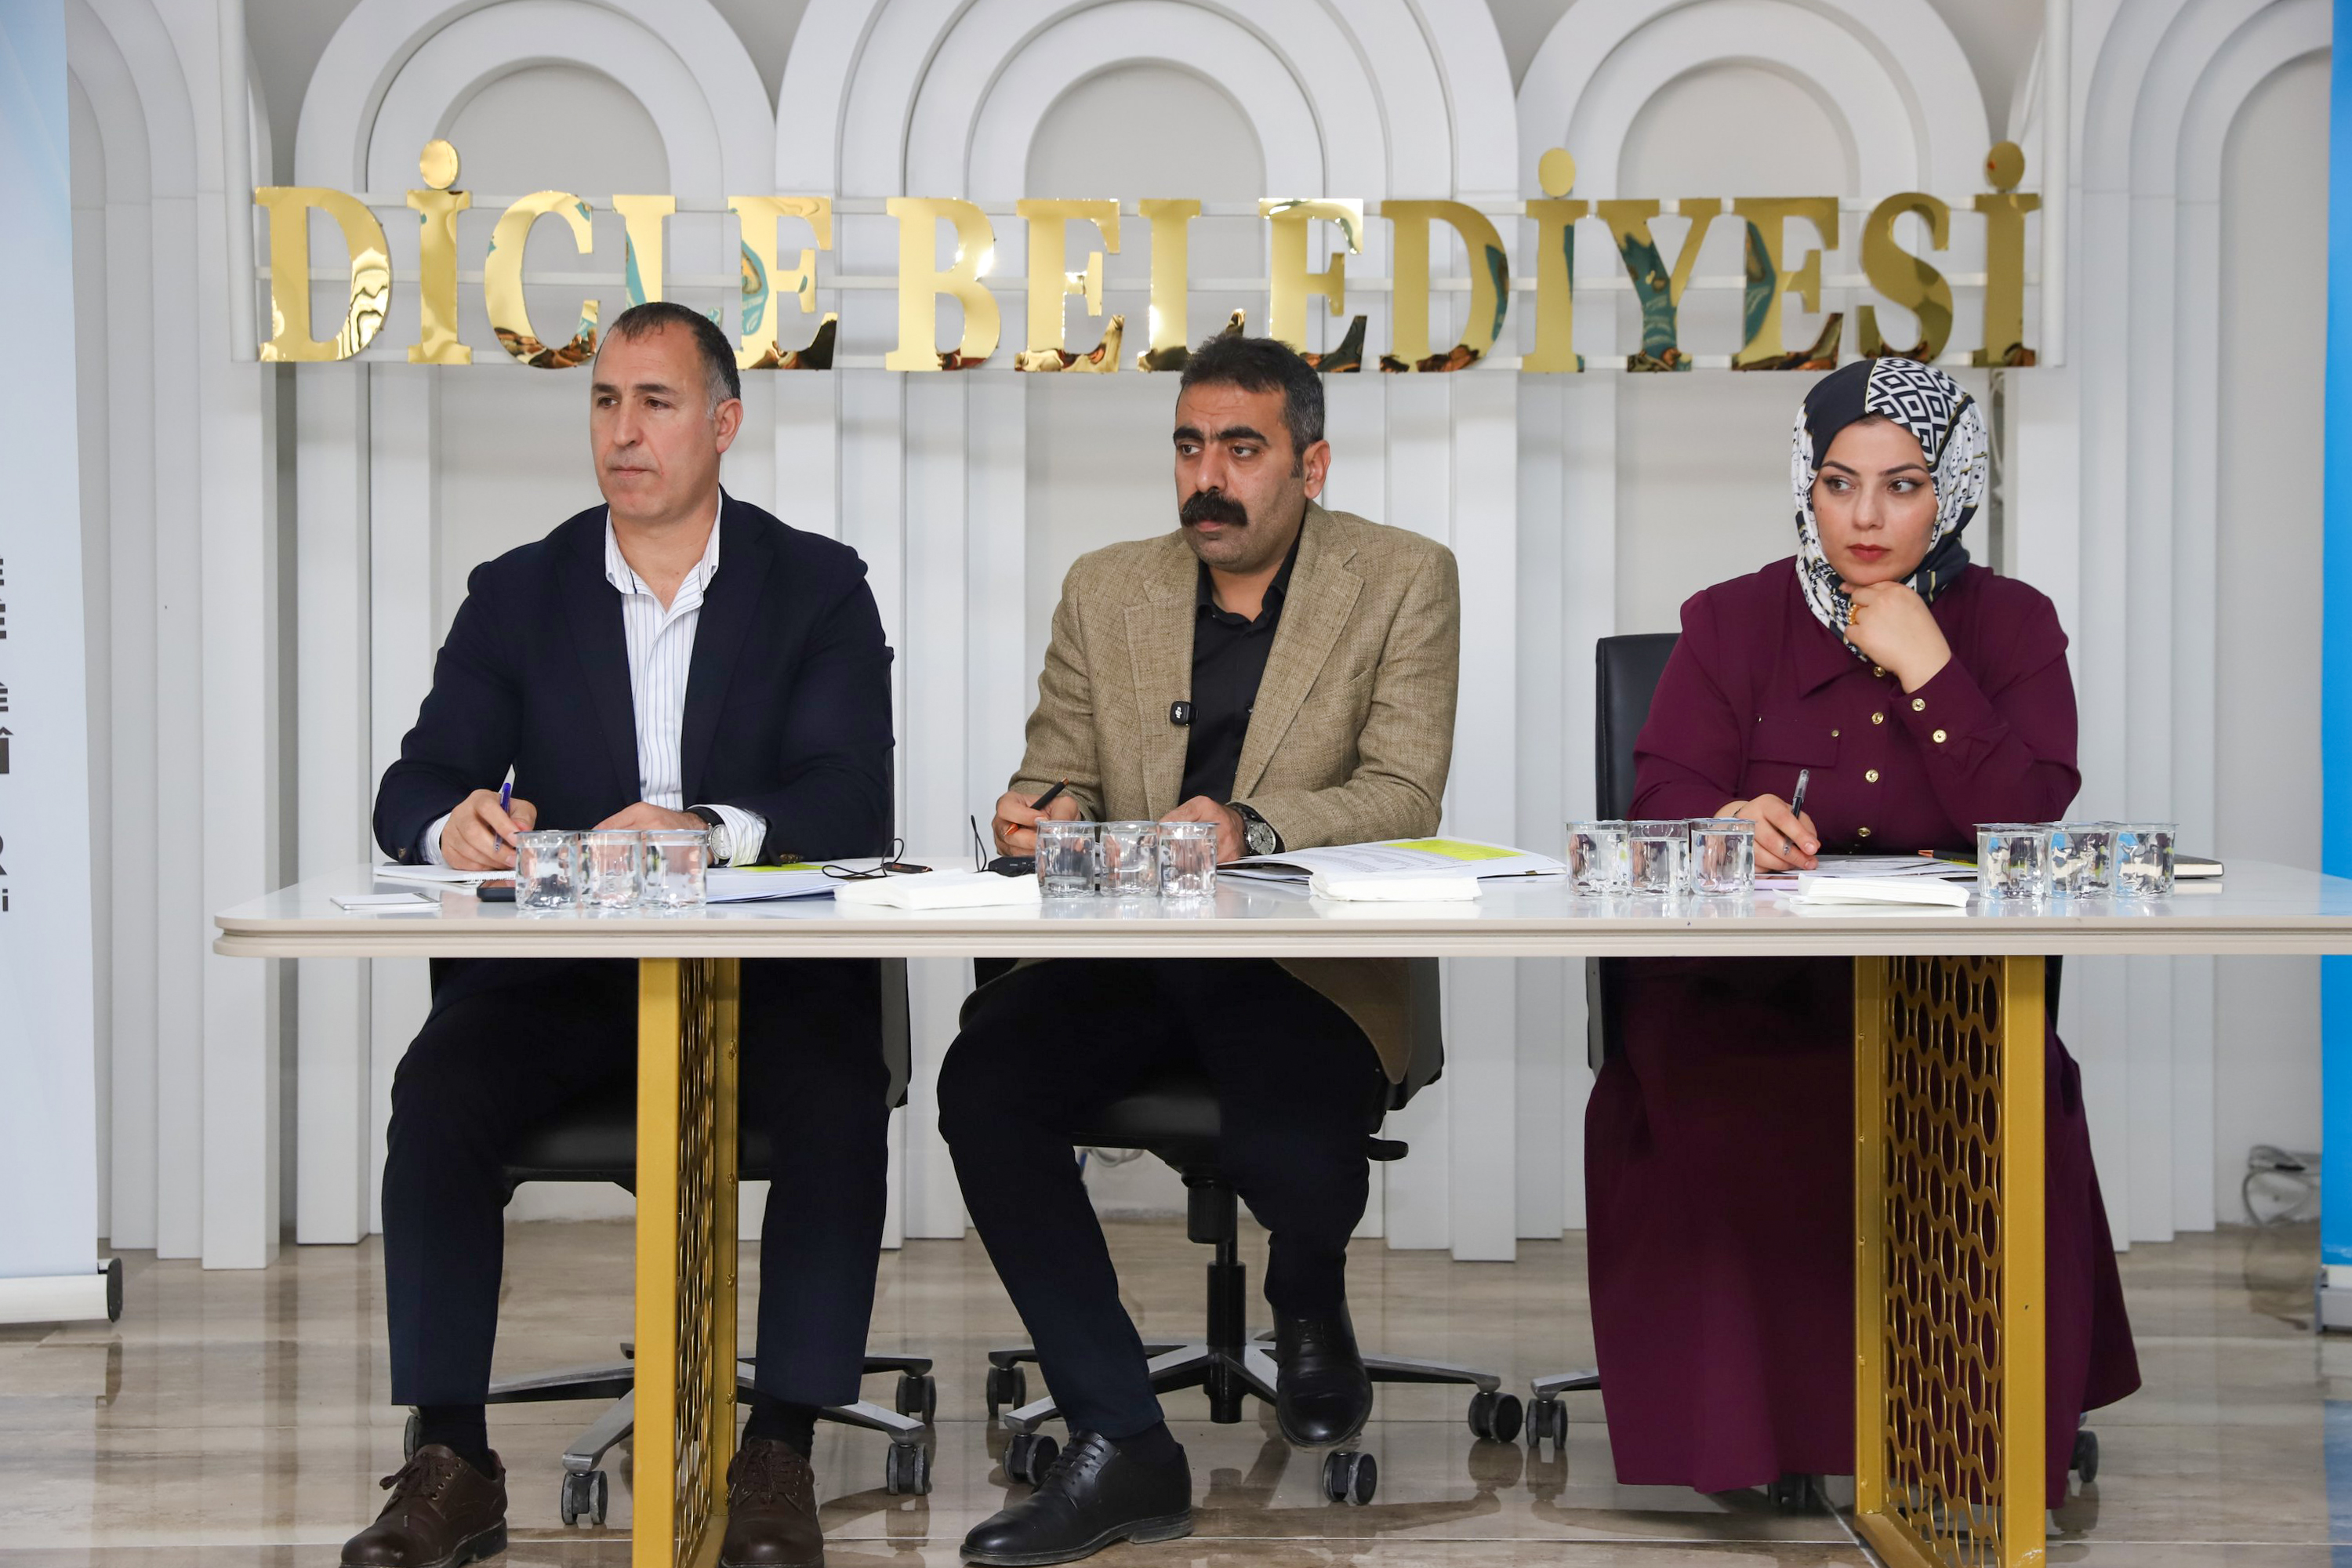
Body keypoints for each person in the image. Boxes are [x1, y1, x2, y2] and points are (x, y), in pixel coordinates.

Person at [352, 302, 895, 1568]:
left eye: (655, 402)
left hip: (768, 984)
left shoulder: (817, 585)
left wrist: (703, 829)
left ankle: (780, 1449)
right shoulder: (519, 591)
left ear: (724, 423)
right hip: (564, 981)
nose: (623, 431)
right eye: (604, 401)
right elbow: (411, 785)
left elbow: (851, 802)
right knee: (438, 1093)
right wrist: (452, 824)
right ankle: (451, 1459)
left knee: (836, 1098)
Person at [938, 336, 1461, 1566]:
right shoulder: (1107, 586)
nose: (1208, 478)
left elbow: (1403, 791)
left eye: (1241, 449)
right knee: (985, 1086)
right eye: (1189, 447)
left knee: (1292, 1146)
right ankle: (1123, 1436)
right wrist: (1044, 812)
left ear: (1310, 465)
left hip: (1302, 962)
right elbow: (1056, 766)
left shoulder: (1402, 578)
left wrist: (1249, 827)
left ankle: (1306, 1289)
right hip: (1127, 954)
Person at [1589, 356, 2140, 1505]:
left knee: (1995, 1094)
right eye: (1839, 484)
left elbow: (2031, 819)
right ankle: (1756, 1442)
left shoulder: (2012, 624)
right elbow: (1658, 804)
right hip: (1748, 988)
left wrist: (1930, 667)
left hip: (1947, 984)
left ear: (1954, 488)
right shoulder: (1733, 618)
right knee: (1722, 1100)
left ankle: (1964, 1425)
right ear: (1807, 485)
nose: (1867, 518)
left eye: (1902, 486)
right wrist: (1729, 821)